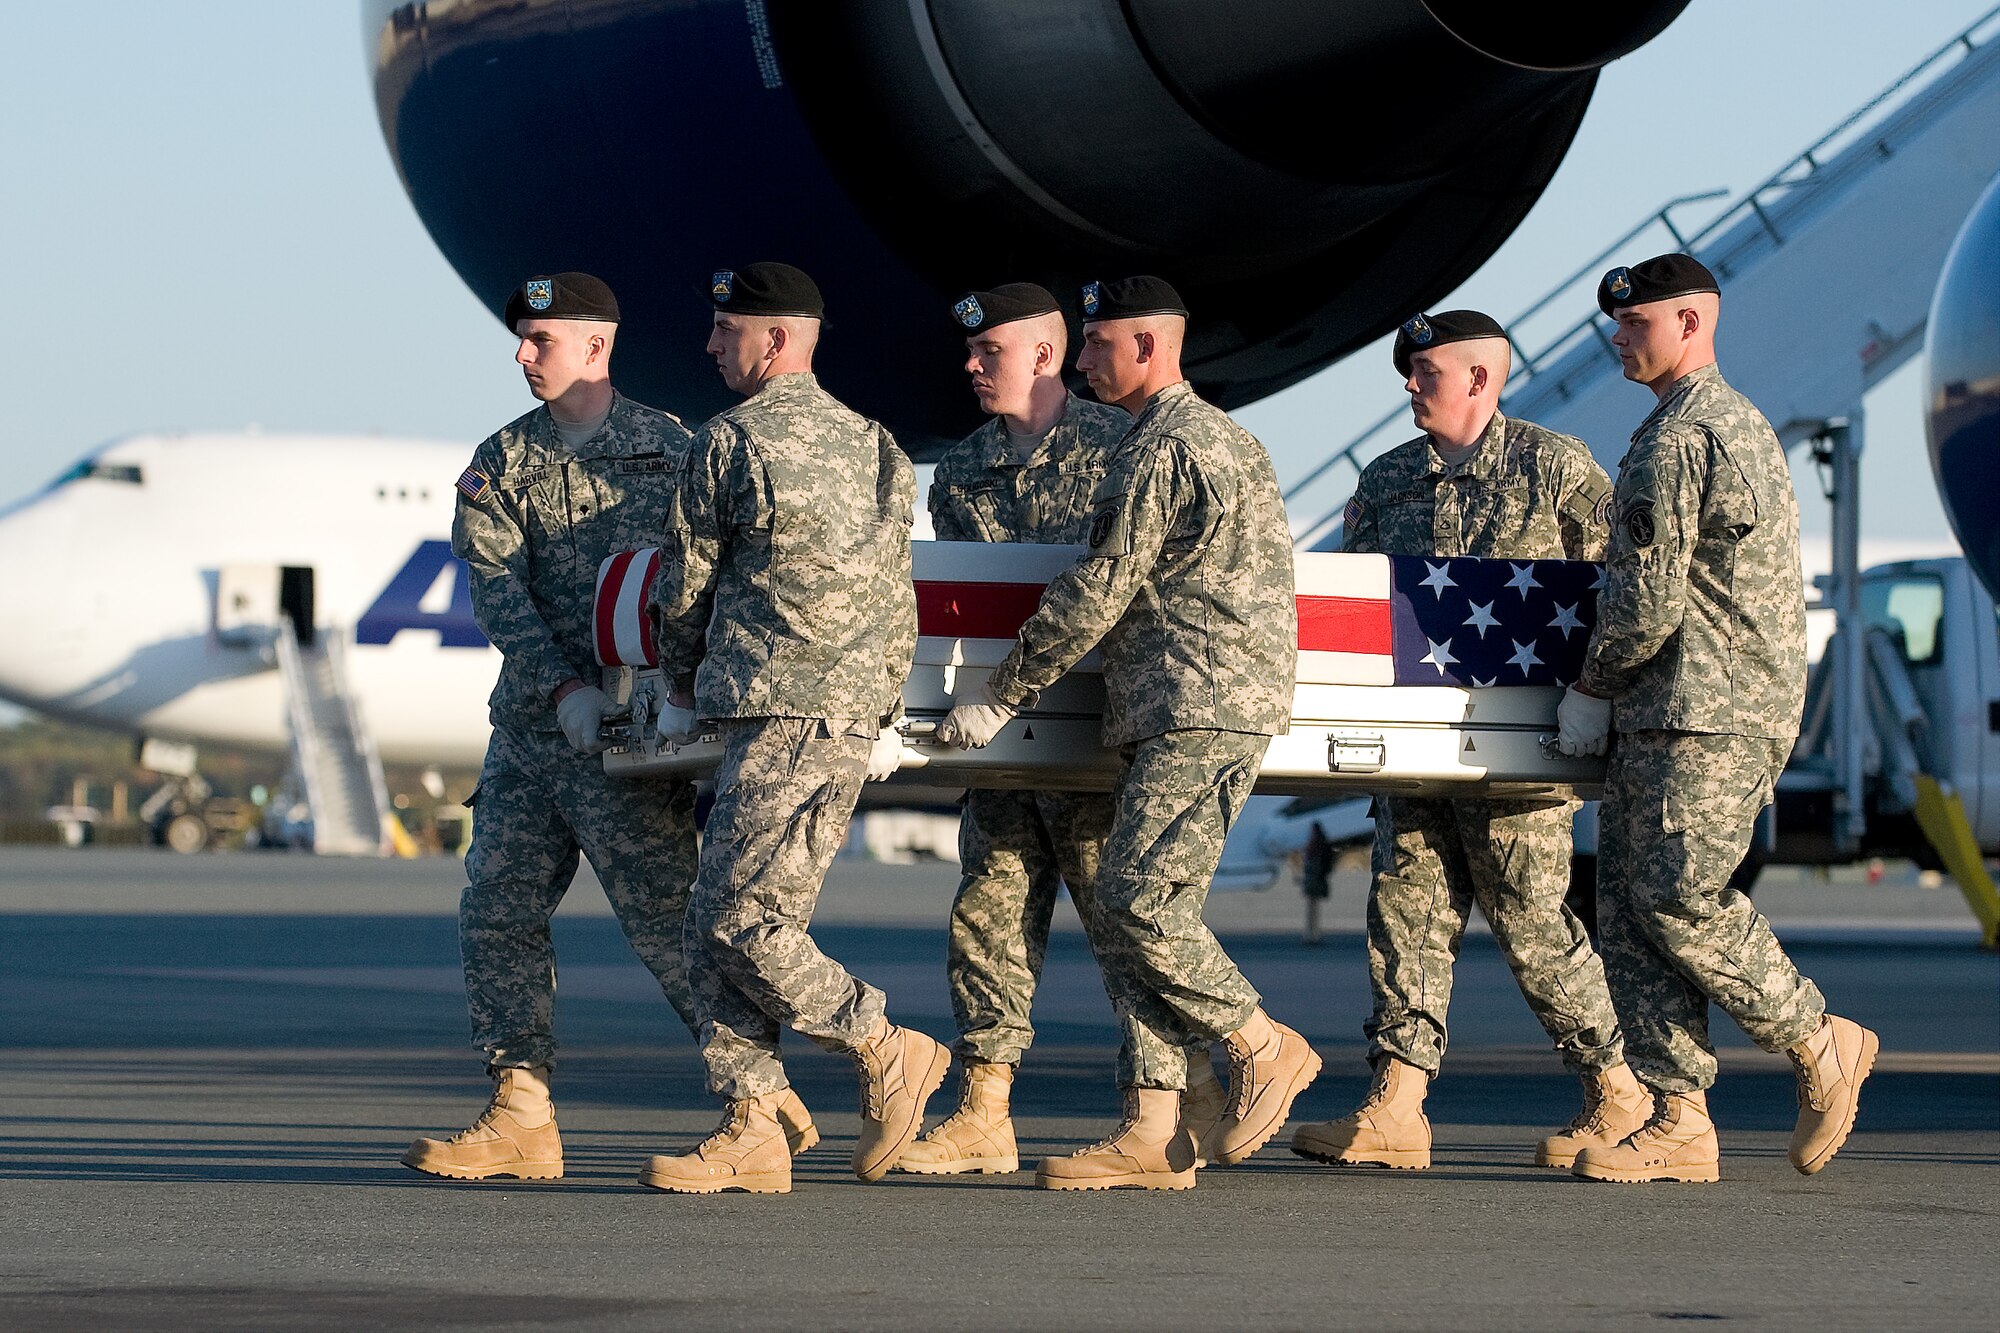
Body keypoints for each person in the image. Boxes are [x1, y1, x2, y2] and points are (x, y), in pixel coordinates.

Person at [404, 272, 815, 1180]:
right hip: (533, 734)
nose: (521, 354)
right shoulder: (499, 462)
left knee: (671, 926)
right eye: (519, 339)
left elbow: (715, 577)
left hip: (634, 741)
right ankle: (521, 1114)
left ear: (596, 346)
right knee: (497, 911)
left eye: (539, 340)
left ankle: (759, 1099)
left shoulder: (673, 450)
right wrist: (560, 691)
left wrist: (683, 696)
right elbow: (497, 592)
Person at [939, 275, 1320, 1191]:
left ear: (1145, 346)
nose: (1081, 360)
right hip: (1148, 706)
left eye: (1096, 343)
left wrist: (1001, 691)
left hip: (1176, 700)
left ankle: (1259, 1044)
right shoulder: (1210, 438)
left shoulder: (1152, 447)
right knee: (1063, 904)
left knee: (1139, 904)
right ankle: (1146, 1126)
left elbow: (1101, 584)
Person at [1289, 311, 1645, 1173]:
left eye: (1428, 370)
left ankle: (1618, 1088)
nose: (1411, 384)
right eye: (1409, 370)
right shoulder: (1385, 482)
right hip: (1414, 750)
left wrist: (1595, 705)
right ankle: (1396, 1105)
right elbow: (1357, 608)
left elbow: (1616, 587)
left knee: (1530, 920)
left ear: (1481, 379)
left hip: (1518, 753)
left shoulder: (1556, 469)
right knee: (1404, 913)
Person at [1556, 254, 1879, 1182]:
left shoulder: (1681, 437)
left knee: (1676, 896)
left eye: (1638, 322)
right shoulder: (1722, 424)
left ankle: (1821, 1039)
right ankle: (1678, 1116)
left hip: (1704, 705)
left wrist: (1594, 683)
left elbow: (1649, 599)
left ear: (1692, 324)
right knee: (1627, 907)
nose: (1620, 336)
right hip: (1690, 704)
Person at [897, 284, 1229, 1177]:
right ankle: (984, 1109)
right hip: (1002, 740)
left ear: (1044, 356)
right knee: (989, 913)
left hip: (1093, 734)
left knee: (1123, 921)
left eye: (989, 352)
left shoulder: (1124, 445)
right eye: (968, 353)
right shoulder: (960, 471)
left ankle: (1164, 1102)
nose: (970, 366)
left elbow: (1122, 590)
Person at [637, 262, 945, 1195]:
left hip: (778, 706)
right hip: (844, 710)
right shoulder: (880, 446)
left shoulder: (726, 441)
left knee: (740, 916)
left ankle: (883, 1040)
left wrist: (679, 677)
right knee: (710, 923)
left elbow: (682, 585)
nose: (708, 344)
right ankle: (753, 1121)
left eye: (725, 329)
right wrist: (880, 702)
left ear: (774, 341)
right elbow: (902, 591)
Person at [1300, 822, 1332, 946]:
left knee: (1312, 910)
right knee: (1313, 910)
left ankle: (1312, 935)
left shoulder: (1315, 845)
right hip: (1317, 879)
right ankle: (1313, 935)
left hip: (1314, 880)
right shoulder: (1321, 843)